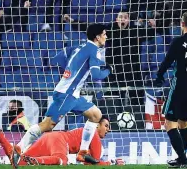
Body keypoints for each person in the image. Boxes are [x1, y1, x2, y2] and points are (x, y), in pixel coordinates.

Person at [9, 23, 112, 168]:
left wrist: (69, 73)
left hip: (72, 93)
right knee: (47, 125)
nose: (106, 36)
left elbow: (57, 58)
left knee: (96, 115)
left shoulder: (79, 46)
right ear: (97, 36)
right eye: (104, 33)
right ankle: (18, 149)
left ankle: (82, 152)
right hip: (67, 94)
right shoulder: (94, 50)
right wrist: (108, 70)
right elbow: (96, 75)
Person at [151, 10, 187, 168]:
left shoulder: (179, 41)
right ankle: (181, 159)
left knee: (169, 124)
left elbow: (168, 61)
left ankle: (183, 160)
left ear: (182, 24)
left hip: (179, 86)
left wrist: (159, 75)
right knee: (184, 123)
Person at [0, 116, 124, 166]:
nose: (108, 130)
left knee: (19, 162)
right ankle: (38, 161)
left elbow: (88, 161)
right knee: (62, 161)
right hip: (60, 141)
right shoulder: (93, 135)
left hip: (50, 137)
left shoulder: (88, 133)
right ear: (97, 125)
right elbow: (94, 164)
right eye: (106, 126)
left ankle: (1, 137)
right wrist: (112, 164)